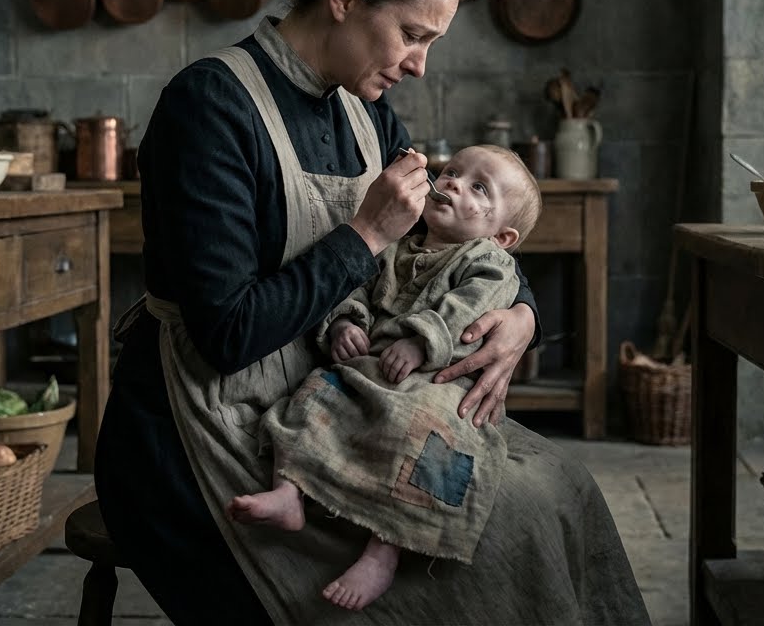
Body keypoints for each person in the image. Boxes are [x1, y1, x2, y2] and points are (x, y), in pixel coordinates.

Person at [94, 0, 651, 626]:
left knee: (561, 486)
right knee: (507, 524)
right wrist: (361, 235)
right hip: (205, 421)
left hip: (348, 395)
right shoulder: (209, 108)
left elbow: (456, 248)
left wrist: (520, 316)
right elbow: (225, 332)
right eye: (412, 35)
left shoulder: (365, 112)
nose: (418, 65)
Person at [228, 145, 543, 612]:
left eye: (479, 187)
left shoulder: (488, 263)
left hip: (438, 384)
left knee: (424, 444)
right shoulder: (397, 243)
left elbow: (469, 309)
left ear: (503, 237)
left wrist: (421, 341)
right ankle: (288, 490)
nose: (453, 182)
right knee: (314, 395)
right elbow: (356, 285)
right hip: (374, 369)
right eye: (452, 171)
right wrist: (345, 323)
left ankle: (383, 550)